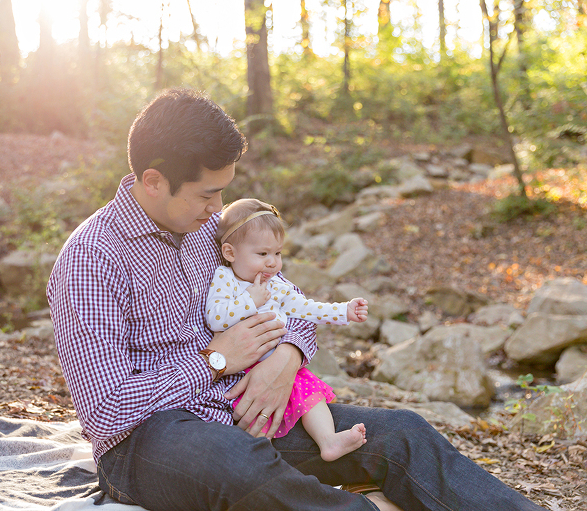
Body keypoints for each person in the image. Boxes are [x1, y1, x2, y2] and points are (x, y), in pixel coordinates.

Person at [47, 88, 546, 511]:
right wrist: (217, 360)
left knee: (401, 434)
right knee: (240, 465)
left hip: (247, 411)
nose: (218, 208)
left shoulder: (207, 232)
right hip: (148, 444)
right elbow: (107, 412)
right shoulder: (91, 260)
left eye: (223, 193)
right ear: (153, 181)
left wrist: (286, 356)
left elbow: (292, 305)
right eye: (206, 194)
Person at [207, 198, 368, 462]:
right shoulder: (226, 279)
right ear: (230, 253)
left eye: (277, 253)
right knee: (254, 417)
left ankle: (328, 440)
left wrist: (343, 311)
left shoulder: (277, 285)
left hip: (281, 365)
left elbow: (306, 308)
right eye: (262, 254)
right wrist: (250, 300)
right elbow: (215, 319)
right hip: (241, 370)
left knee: (311, 396)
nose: (272, 262)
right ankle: (258, 460)